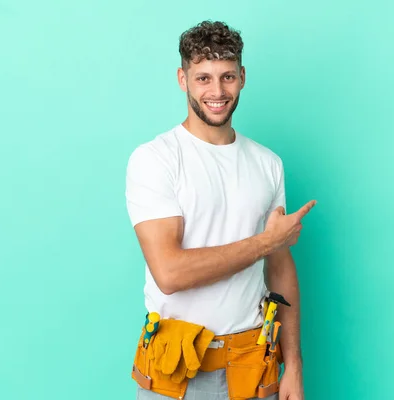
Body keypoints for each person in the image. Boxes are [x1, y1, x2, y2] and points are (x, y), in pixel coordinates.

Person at [125, 20, 316, 400]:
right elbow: (170, 272)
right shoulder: (155, 159)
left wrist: (293, 365)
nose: (217, 91)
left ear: (242, 77)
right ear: (183, 79)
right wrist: (266, 243)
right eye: (203, 78)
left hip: (252, 367)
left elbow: (279, 267)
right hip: (175, 372)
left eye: (227, 76)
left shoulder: (267, 163)